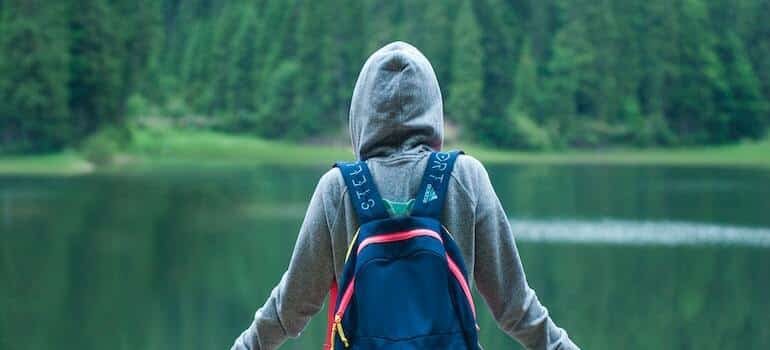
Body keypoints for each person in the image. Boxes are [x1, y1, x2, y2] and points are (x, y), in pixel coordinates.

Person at [231, 41, 579, 350]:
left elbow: (290, 309)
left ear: (360, 114)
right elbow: (514, 308)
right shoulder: (465, 177)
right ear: (433, 109)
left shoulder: (337, 188)